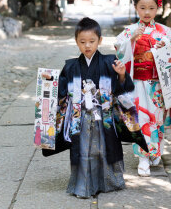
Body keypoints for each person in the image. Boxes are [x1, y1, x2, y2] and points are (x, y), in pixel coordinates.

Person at [42, 17, 147, 198]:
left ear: (100, 40)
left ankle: (109, 182)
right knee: (83, 150)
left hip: (103, 115)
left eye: (92, 41)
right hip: (80, 116)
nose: (87, 46)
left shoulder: (109, 62)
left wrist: (122, 75)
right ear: (76, 42)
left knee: (104, 149)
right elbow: (60, 90)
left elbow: (123, 89)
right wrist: (49, 81)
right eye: (82, 42)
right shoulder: (71, 66)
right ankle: (83, 186)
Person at [114, 0, 171, 177]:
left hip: (158, 84)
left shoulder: (165, 32)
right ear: (136, 8)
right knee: (141, 119)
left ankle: (155, 151)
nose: (147, 12)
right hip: (137, 83)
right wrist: (131, 40)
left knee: (156, 120)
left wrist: (165, 48)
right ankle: (143, 158)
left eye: (151, 8)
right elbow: (118, 51)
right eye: (142, 8)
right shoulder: (129, 31)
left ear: (158, 7)